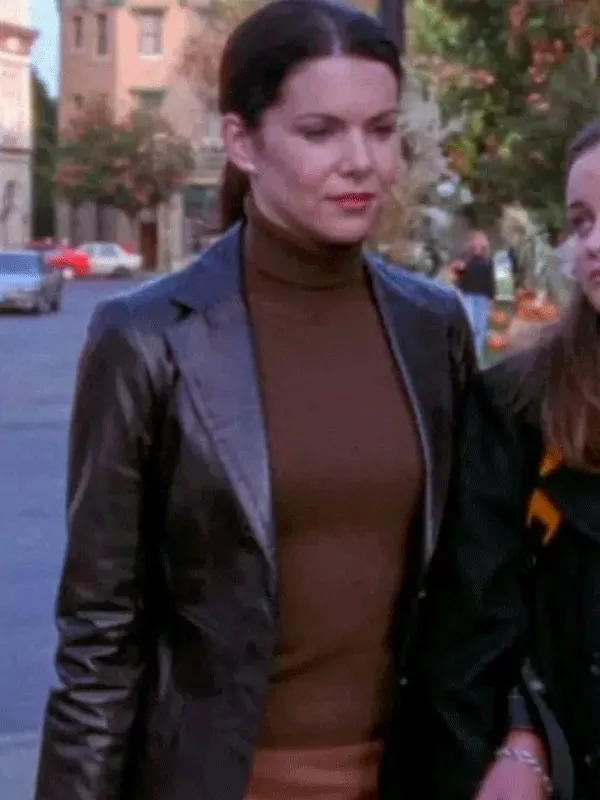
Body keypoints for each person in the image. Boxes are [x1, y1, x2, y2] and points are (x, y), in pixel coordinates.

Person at [33, 3, 481, 800]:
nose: (361, 162)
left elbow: (469, 583)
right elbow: (100, 636)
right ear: (242, 141)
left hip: (410, 776)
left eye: (381, 130)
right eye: (320, 131)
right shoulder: (148, 338)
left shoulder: (432, 326)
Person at [401, 117, 600, 800]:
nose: (592, 243)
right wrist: (518, 732)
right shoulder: (519, 405)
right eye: (582, 221)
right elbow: (474, 617)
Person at [455, 229, 497, 361]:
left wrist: (492, 298)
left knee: (481, 328)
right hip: (467, 295)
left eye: (480, 241)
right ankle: (466, 355)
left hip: (483, 297)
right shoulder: (465, 257)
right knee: (470, 326)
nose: (477, 244)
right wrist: (459, 270)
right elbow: (457, 277)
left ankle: (477, 358)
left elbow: (491, 280)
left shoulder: (489, 260)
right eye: (475, 241)